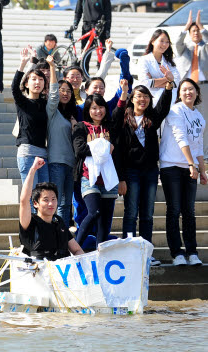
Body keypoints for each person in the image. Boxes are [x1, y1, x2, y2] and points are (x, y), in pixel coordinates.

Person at [112, 82, 172, 267]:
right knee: (131, 213)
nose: (143, 99)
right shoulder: (123, 118)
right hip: (130, 172)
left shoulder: (152, 118)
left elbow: (163, 107)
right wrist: (121, 178)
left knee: (147, 214)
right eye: (139, 95)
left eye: (146, 96)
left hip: (150, 171)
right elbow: (114, 122)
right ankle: (129, 253)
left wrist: (169, 86)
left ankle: (146, 254)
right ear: (132, 99)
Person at [159, 78, 206, 266]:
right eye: (184, 89)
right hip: (172, 166)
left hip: (190, 168)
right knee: (174, 210)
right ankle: (177, 253)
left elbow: (199, 146)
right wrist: (191, 165)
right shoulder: (175, 110)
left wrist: (202, 170)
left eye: (191, 89)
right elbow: (181, 138)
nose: (188, 92)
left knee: (189, 212)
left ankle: (192, 252)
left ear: (197, 93)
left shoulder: (199, 117)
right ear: (179, 93)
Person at [72, 93, 120, 249]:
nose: (98, 111)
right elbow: (80, 149)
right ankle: (75, 248)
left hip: (108, 179)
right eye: (94, 108)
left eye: (101, 107)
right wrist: (105, 148)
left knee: (105, 220)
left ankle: (101, 252)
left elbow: (117, 151)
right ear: (88, 109)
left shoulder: (111, 127)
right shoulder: (81, 126)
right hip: (89, 177)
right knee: (94, 212)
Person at [19, 157, 85, 261]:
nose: (51, 203)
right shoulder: (30, 223)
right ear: (35, 203)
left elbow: (77, 250)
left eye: (53, 199)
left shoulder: (59, 223)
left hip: (63, 272)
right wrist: (33, 169)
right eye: (46, 200)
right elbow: (24, 200)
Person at [46, 56, 78, 228]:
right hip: (56, 162)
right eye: (61, 89)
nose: (64, 93)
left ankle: (63, 238)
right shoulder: (52, 112)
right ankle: (53, 237)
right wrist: (52, 67)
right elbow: (52, 96)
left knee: (66, 205)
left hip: (70, 164)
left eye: (67, 90)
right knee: (55, 204)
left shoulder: (72, 115)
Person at [13, 48, 49, 193]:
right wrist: (23, 64)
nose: (37, 82)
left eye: (41, 80)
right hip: (27, 152)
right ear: (26, 84)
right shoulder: (23, 102)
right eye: (33, 79)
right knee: (31, 193)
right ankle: (28, 217)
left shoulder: (45, 103)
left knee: (44, 193)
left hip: (44, 153)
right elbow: (14, 88)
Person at [175, 10, 208, 151]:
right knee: (185, 118)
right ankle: (187, 149)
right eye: (193, 30)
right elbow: (177, 42)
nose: (196, 33)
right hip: (187, 88)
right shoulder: (184, 48)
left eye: (198, 31)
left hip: (204, 87)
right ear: (189, 33)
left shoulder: (206, 47)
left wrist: (202, 26)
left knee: (204, 119)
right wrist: (186, 26)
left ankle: (204, 150)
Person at [136, 29, 181, 106]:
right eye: (162, 41)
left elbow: (176, 81)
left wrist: (153, 81)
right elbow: (144, 83)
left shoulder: (169, 61)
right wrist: (168, 79)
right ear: (153, 41)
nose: (164, 44)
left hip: (169, 100)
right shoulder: (144, 60)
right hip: (152, 101)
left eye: (167, 42)